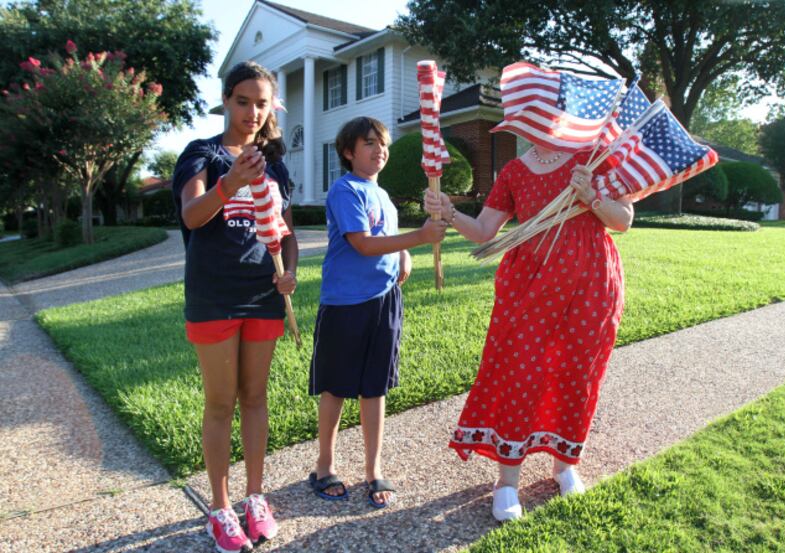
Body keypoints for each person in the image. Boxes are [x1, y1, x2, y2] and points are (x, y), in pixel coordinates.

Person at [425, 143, 633, 521]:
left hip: (591, 282)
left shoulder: (596, 157)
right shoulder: (514, 171)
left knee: (577, 373)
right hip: (530, 282)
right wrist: (450, 212)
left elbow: (623, 220)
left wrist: (590, 195)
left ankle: (565, 463)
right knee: (522, 372)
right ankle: (507, 480)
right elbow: (485, 230)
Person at [172, 61, 296, 553]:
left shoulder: (277, 164)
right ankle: (221, 508)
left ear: (271, 107)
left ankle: (254, 498)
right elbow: (193, 215)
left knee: (256, 397)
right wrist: (230, 183)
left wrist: (290, 272)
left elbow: (285, 233)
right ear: (226, 100)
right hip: (214, 294)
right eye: (243, 101)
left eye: (261, 103)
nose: (252, 112)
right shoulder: (202, 154)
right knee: (221, 402)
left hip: (263, 294)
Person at [308, 116, 447, 509]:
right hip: (344, 304)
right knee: (335, 386)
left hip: (384, 300)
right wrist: (418, 238)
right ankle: (324, 466)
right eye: (369, 143)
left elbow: (385, 236)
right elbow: (364, 244)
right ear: (349, 152)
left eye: (382, 143)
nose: (379, 149)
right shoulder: (345, 190)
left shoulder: (382, 195)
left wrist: (403, 252)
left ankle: (373, 469)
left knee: (375, 387)